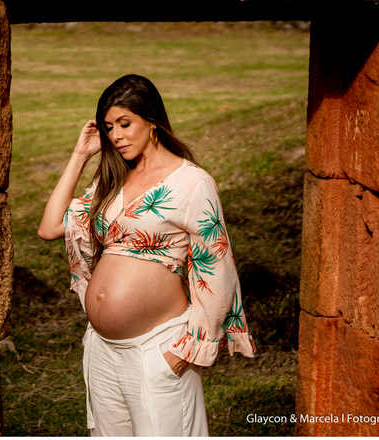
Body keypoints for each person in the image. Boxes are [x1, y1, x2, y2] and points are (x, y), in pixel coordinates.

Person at [38, 74, 255, 437]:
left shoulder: (192, 183)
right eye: (109, 127)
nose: (116, 136)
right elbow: (49, 227)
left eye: (125, 124)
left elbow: (216, 267)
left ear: (152, 120)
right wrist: (80, 156)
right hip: (103, 350)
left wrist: (184, 352)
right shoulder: (113, 179)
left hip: (159, 348)